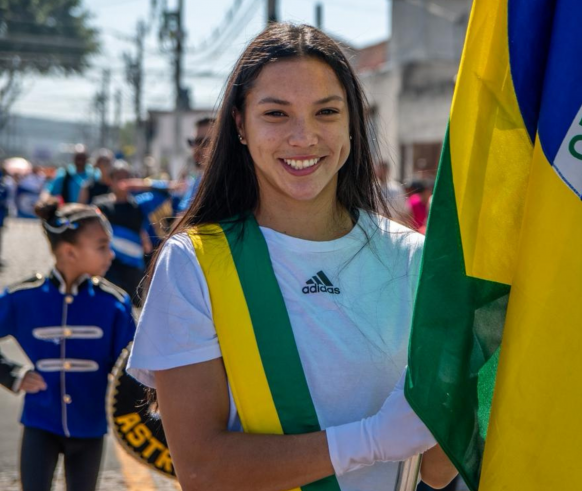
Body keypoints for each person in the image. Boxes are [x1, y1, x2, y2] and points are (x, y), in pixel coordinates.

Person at [126, 23, 456, 491]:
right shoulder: (195, 263)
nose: (303, 137)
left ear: (352, 124)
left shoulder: (414, 259)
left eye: (327, 112)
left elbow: (438, 470)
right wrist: (372, 440)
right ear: (240, 125)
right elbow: (202, 471)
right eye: (276, 113)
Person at [0, 197, 136, 491]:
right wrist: (12, 374)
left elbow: (131, 366)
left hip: (90, 424)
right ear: (69, 252)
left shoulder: (114, 303)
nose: (111, 254)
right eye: (102, 246)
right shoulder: (23, 297)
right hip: (40, 420)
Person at [93, 160, 150, 305]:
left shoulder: (137, 206)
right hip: (109, 264)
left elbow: (141, 231)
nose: (122, 182)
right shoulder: (101, 206)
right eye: (118, 177)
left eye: (126, 177)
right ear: (110, 180)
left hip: (132, 265)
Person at [175, 117, 214, 214]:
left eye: (204, 142)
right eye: (193, 142)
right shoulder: (200, 179)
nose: (196, 148)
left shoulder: (223, 183)